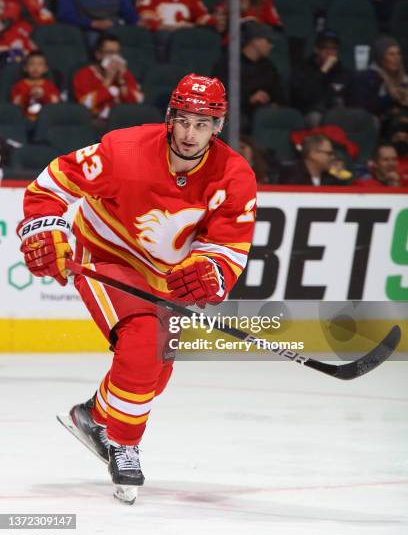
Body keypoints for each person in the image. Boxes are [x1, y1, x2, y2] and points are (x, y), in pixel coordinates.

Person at [17, 74, 257, 504]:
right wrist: (45, 229)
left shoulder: (234, 176)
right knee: (144, 340)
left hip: (164, 272)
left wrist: (210, 270)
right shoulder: (123, 151)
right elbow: (50, 185)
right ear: (170, 117)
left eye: (202, 125)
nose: (190, 134)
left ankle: (94, 416)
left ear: (218, 127)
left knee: (154, 372)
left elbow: (228, 246)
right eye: (183, 121)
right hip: (106, 254)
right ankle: (123, 443)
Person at [213, 22, 286, 131]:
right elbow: (220, 92)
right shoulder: (228, 62)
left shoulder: (268, 66)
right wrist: (249, 99)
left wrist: (273, 102)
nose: (271, 46)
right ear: (255, 41)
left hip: (263, 113)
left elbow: (279, 94)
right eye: (268, 41)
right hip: (238, 111)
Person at [73, 33, 144, 131]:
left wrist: (121, 81)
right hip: (99, 123)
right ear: (98, 55)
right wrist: (108, 81)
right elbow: (86, 105)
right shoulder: (84, 74)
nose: (115, 58)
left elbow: (138, 101)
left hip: (126, 122)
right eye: (110, 53)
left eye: (117, 53)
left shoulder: (124, 73)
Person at [290, 30, 354, 126]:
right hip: (310, 113)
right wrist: (323, 71)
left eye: (333, 49)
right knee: (315, 117)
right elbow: (304, 96)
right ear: (316, 49)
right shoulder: (303, 69)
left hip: (337, 113)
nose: (329, 53)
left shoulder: (343, 73)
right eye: (325, 48)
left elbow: (351, 99)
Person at [353, 36, 408, 132]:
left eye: (398, 54)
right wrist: (390, 97)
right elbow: (364, 108)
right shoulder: (368, 77)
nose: (397, 58)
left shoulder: (404, 79)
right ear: (381, 58)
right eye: (391, 54)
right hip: (378, 123)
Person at [279, 134, 350, 185]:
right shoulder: (291, 176)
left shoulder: (332, 178)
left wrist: (340, 177)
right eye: (329, 153)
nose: (333, 157)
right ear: (313, 154)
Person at [11, 50, 60, 123]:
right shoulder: (19, 85)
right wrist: (28, 95)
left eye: (40, 64)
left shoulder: (49, 85)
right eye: (32, 64)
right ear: (25, 68)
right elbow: (15, 105)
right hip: (23, 120)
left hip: (46, 121)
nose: (35, 67)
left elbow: (56, 104)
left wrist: (43, 96)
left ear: (45, 69)